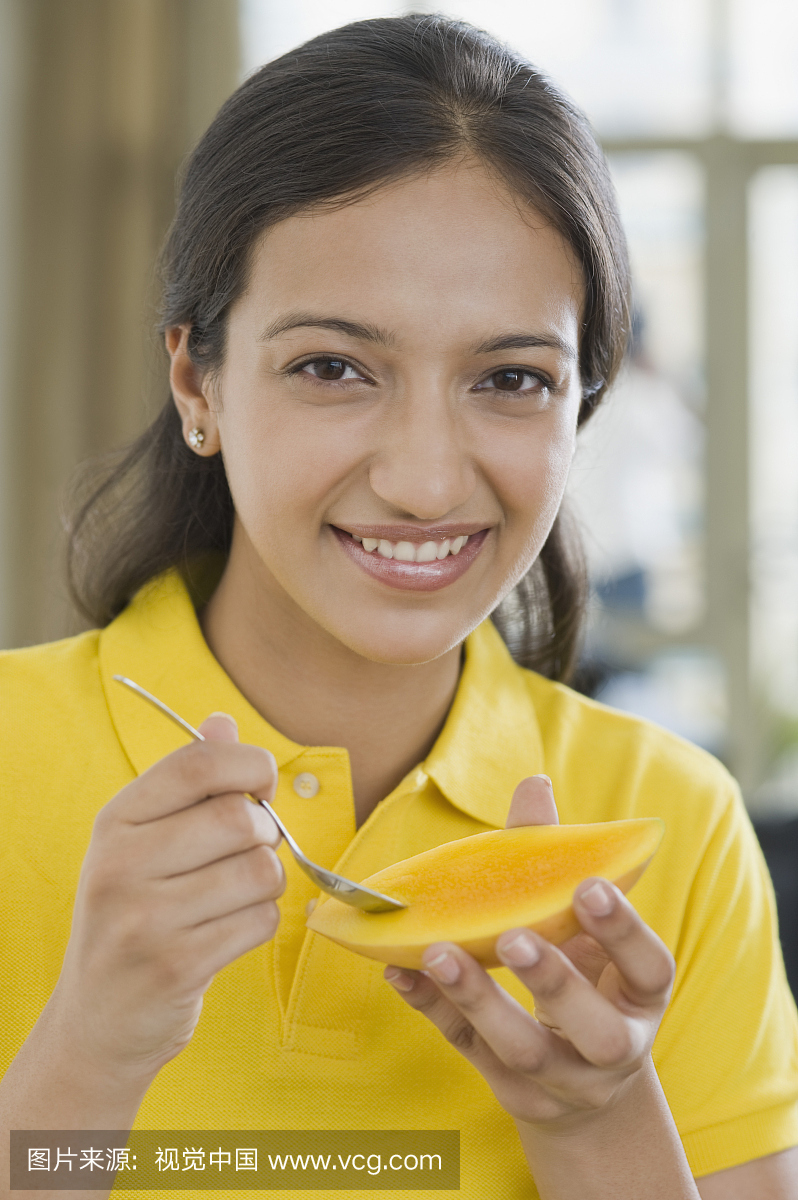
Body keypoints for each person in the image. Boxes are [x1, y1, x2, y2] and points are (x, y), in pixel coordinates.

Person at [1, 15, 796, 1200]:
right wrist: (90, 1052)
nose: (425, 481)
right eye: (333, 367)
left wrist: (596, 1120)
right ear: (196, 381)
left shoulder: (668, 822)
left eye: (511, 380)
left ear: (578, 409)